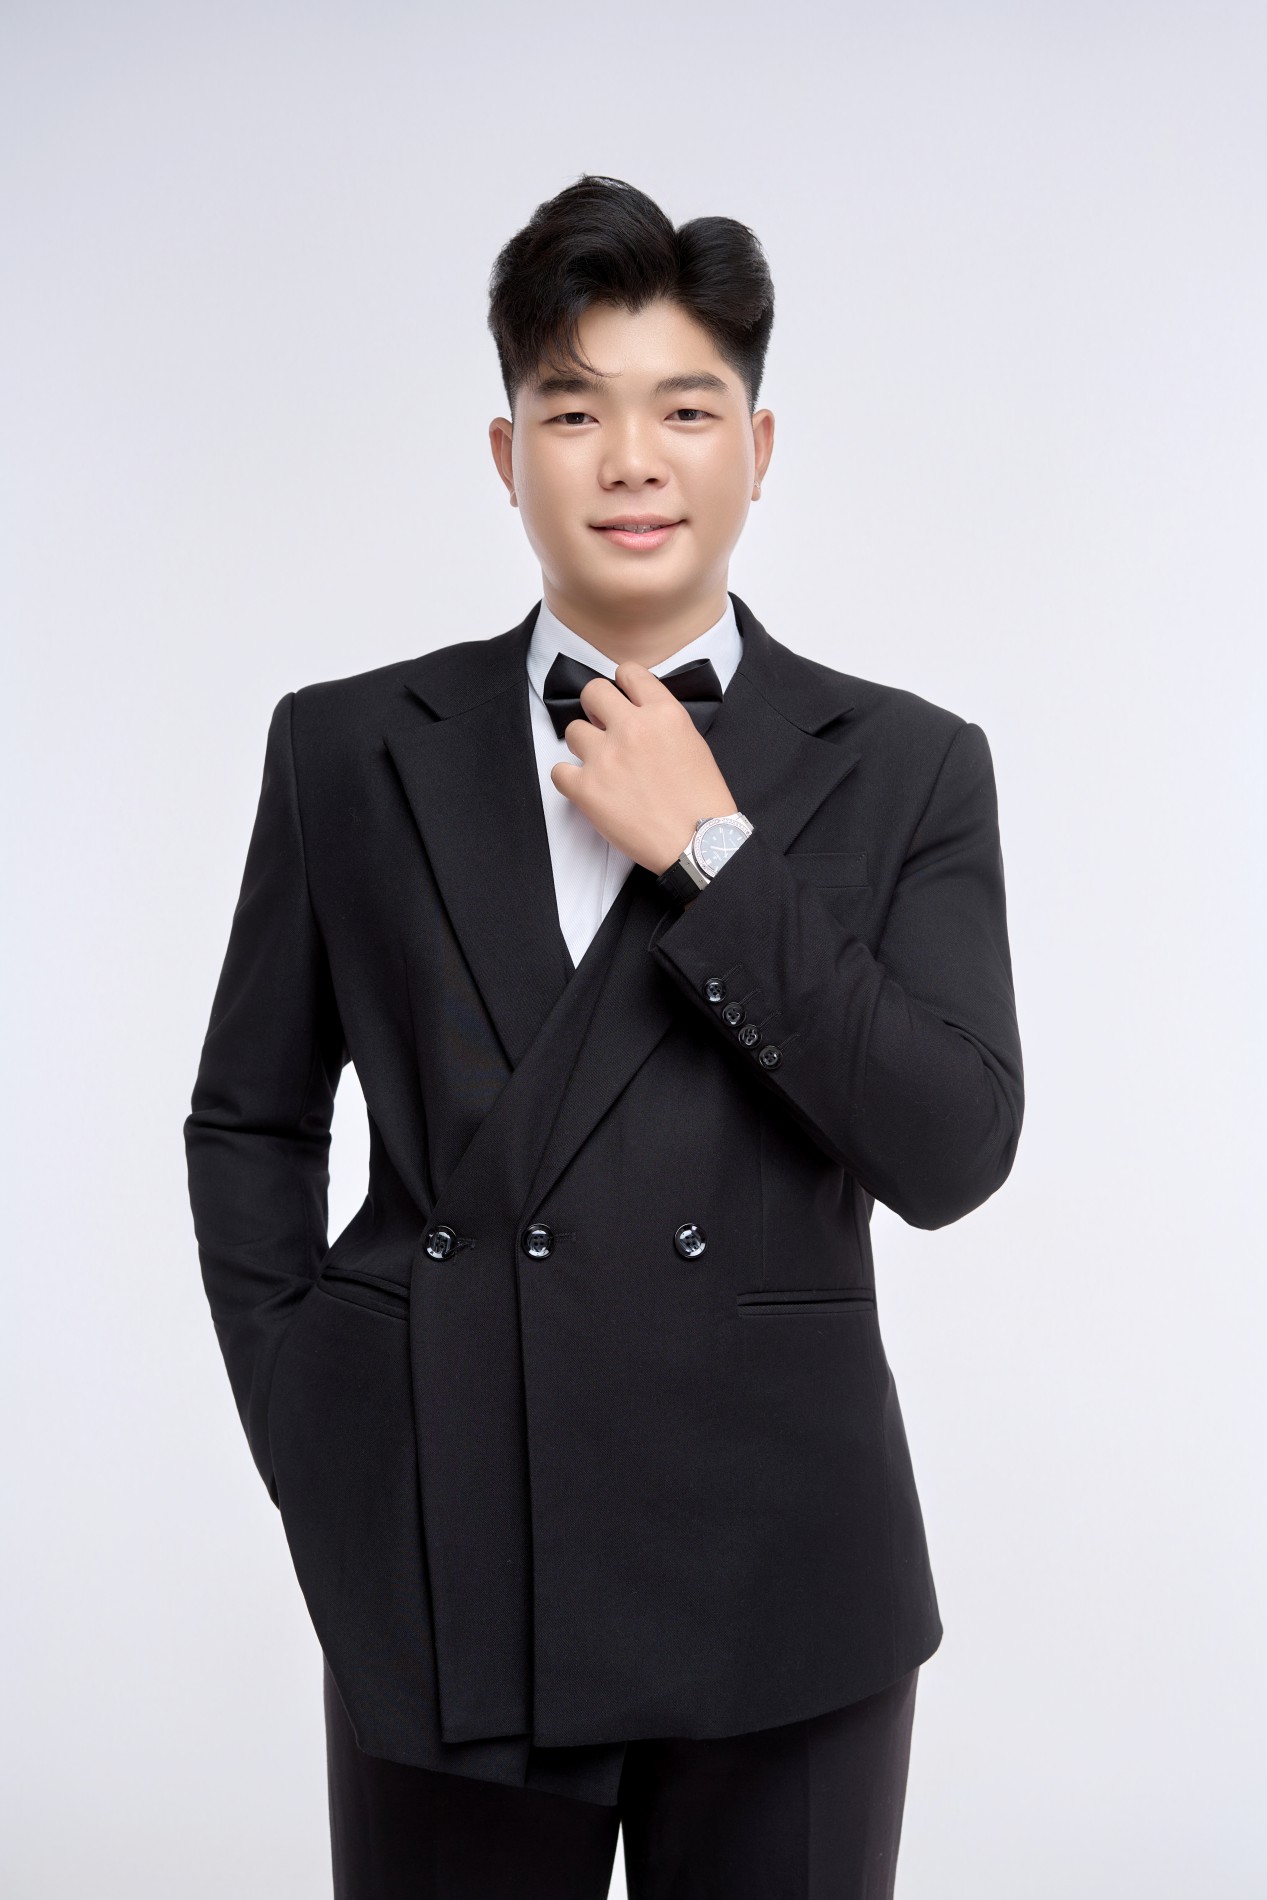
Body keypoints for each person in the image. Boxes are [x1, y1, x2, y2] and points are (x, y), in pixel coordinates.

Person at [184, 173, 1024, 1898]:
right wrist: (321, 1428)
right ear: (510, 456)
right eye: (575, 412)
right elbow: (250, 1121)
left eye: (684, 411)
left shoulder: (910, 765)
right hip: (445, 1545)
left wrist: (713, 852)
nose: (632, 460)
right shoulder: (348, 748)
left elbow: (952, 1147)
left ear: (758, 449)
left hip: (787, 1571)